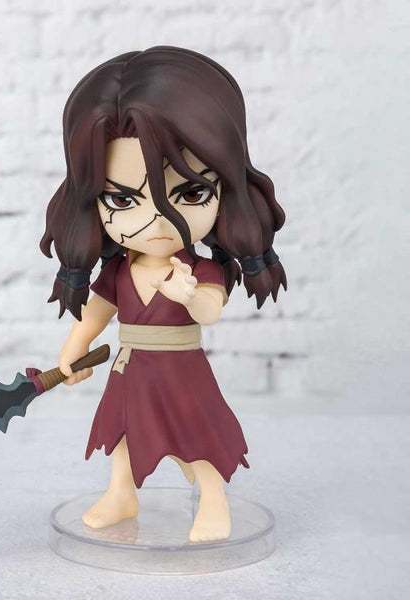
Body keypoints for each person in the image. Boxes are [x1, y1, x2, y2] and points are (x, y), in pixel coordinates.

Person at [40, 46, 286, 542]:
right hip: (129, 368)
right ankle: (121, 493)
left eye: (191, 193)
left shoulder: (199, 268)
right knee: (122, 431)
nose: (153, 222)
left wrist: (188, 294)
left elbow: (210, 310)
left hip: (181, 371)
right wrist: (72, 350)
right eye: (121, 199)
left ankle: (213, 499)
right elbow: (96, 313)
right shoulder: (119, 269)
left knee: (196, 434)